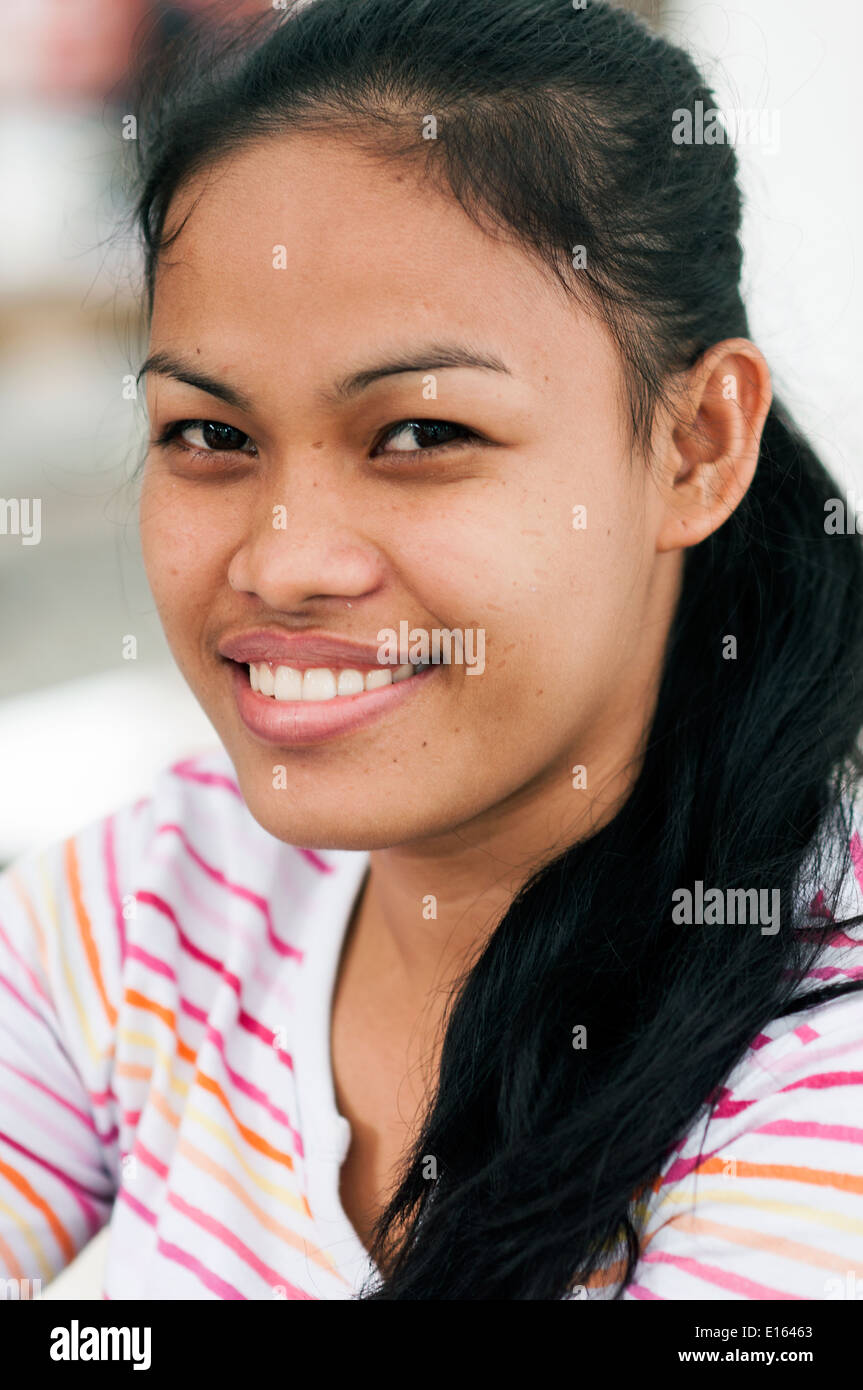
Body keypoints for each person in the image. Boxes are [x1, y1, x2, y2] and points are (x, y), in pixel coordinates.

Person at [2, 0, 863, 1301]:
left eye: (418, 434)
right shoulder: (159, 902)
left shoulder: (818, 1072)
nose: (282, 559)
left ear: (696, 446)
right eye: (209, 435)